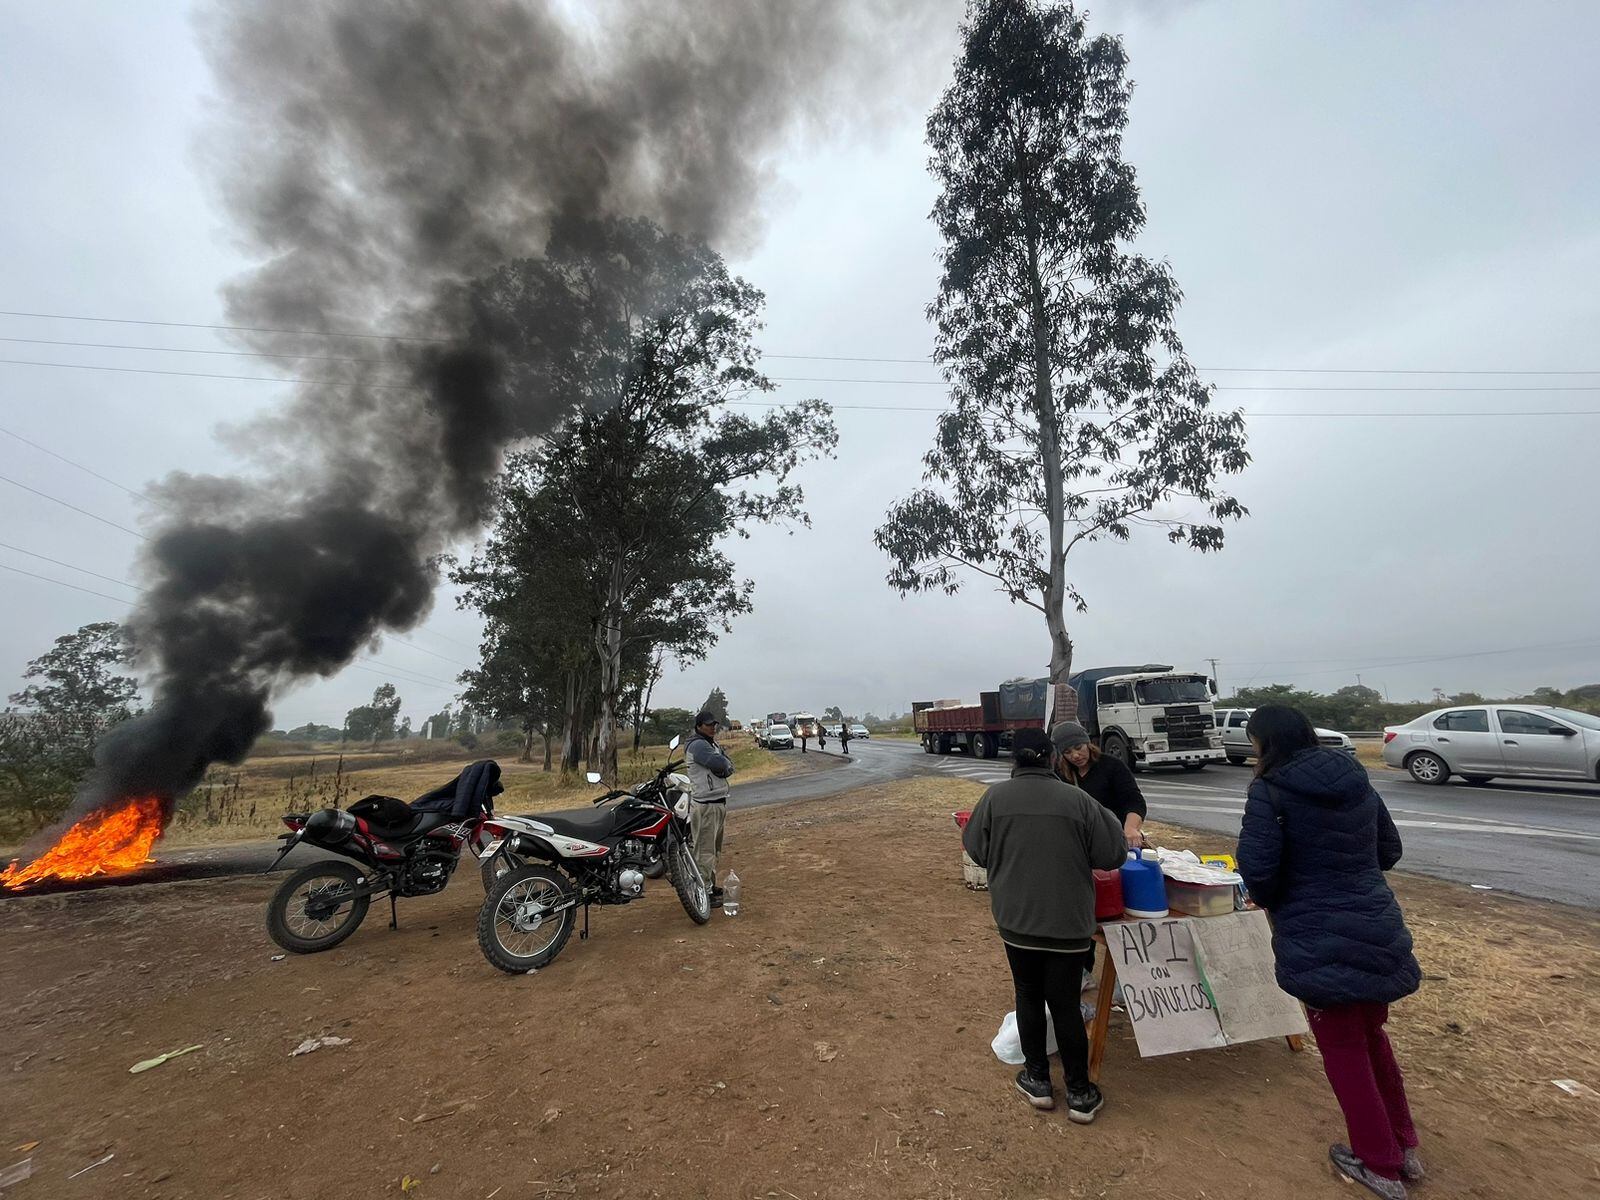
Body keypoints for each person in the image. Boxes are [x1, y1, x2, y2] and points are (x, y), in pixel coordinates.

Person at [1237, 705, 1424, 1200]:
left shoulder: (1270, 789)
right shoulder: (1357, 779)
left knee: (1342, 1048)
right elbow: (1388, 850)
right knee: (1371, 1035)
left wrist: (1284, 894)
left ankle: (1379, 1163)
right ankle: (1404, 1145)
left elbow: (1258, 870)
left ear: (1266, 743)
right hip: (1375, 920)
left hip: (1315, 928)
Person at [961, 727, 1126, 1122]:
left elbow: (976, 849)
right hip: (1069, 925)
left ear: (1013, 760)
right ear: (1053, 757)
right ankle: (1080, 1094)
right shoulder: (1079, 801)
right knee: (1066, 1004)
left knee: (1028, 995)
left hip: (1016, 921)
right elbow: (1112, 854)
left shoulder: (994, 798)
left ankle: (1037, 1080)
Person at [1050, 721, 1147, 848]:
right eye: (1067, 752)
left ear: (1088, 743)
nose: (1075, 755)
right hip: (1078, 842)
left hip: (1114, 839)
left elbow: (1135, 801)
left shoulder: (1112, 765)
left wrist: (1130, 829)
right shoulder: (1059, 774)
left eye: (1079, 747)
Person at [684, 710, 735, 909]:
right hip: (706, 805)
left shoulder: (709, 743)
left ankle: (709, 886)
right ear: (698, 726)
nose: (712, 727)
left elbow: (728, 764)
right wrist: (725, 765)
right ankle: (703, 892)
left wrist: (725, 765)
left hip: (716, 802)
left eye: (714, 723)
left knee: (713, 851)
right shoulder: (698, 745)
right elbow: (720, 763)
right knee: (705, 852)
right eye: (708, 724)